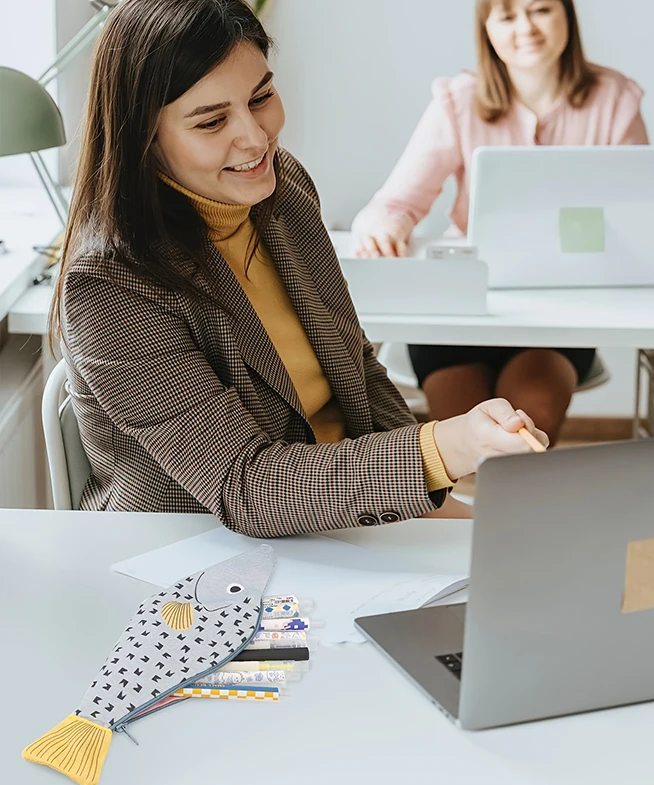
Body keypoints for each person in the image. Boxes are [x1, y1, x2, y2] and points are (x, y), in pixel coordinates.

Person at [50, 0, 549, 537]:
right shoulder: (109, 283)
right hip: (198, 551)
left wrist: (431, 480)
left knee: (525, 550)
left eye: (261, 96)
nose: (255, 137)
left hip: (336, 511)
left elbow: (356, 368)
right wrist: (443, 448)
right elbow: (244, 486)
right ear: (142, 138)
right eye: (213, 121)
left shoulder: (280, 189)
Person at [352, 0, 649, 446]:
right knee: (471, 442)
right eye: (507, 16)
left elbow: (638, 216)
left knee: (528, 427)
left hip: (559, 313)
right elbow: (393, 204)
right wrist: (383, 225)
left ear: (567, 14)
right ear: (487, 29)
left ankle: (513, 512)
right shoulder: (457, 100)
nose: (525, 28)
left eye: (541, 10)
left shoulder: (615, 99)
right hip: (461, 308)